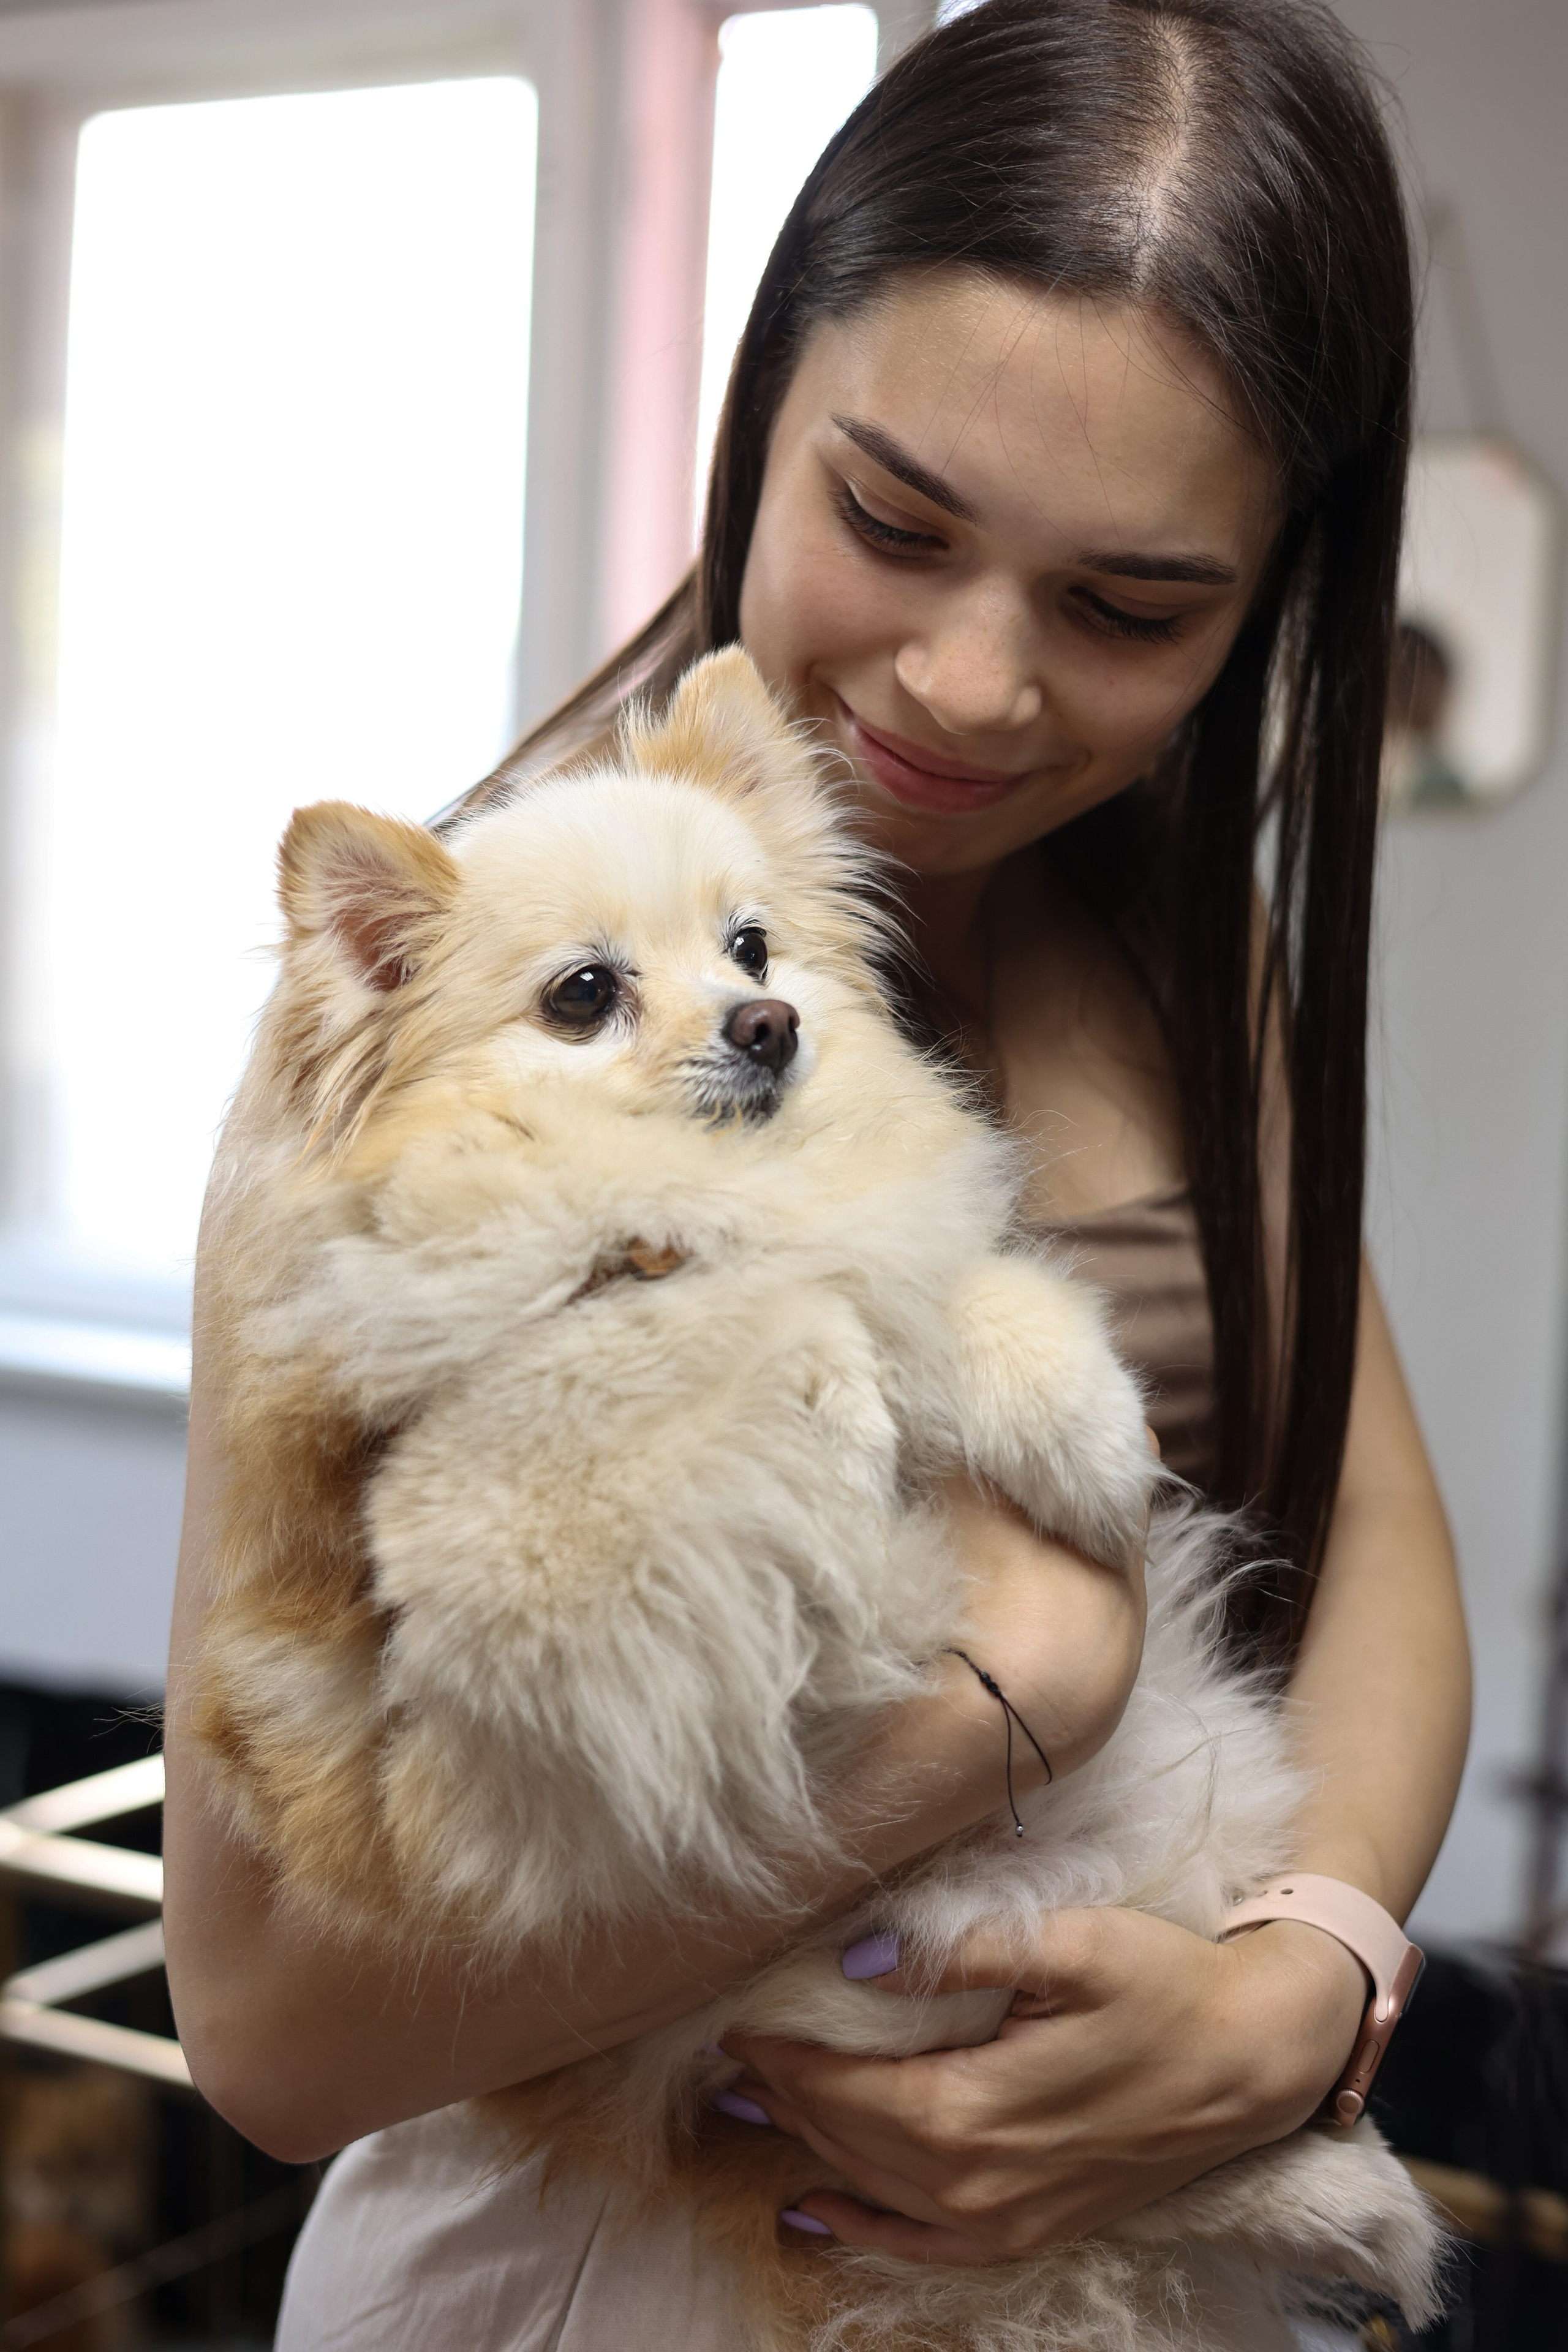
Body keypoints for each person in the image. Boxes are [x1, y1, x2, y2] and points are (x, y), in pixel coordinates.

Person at [162, 1, 1471, 2342]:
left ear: (1275, 595)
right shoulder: (428, 1051)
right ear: (759, 397)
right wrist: (1004, 1697)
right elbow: (271, 2034)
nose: (973, 684)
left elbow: (1374, 1535)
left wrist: (1307, 1976)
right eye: (895, 521)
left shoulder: (1181, 935)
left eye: (1129, 606)